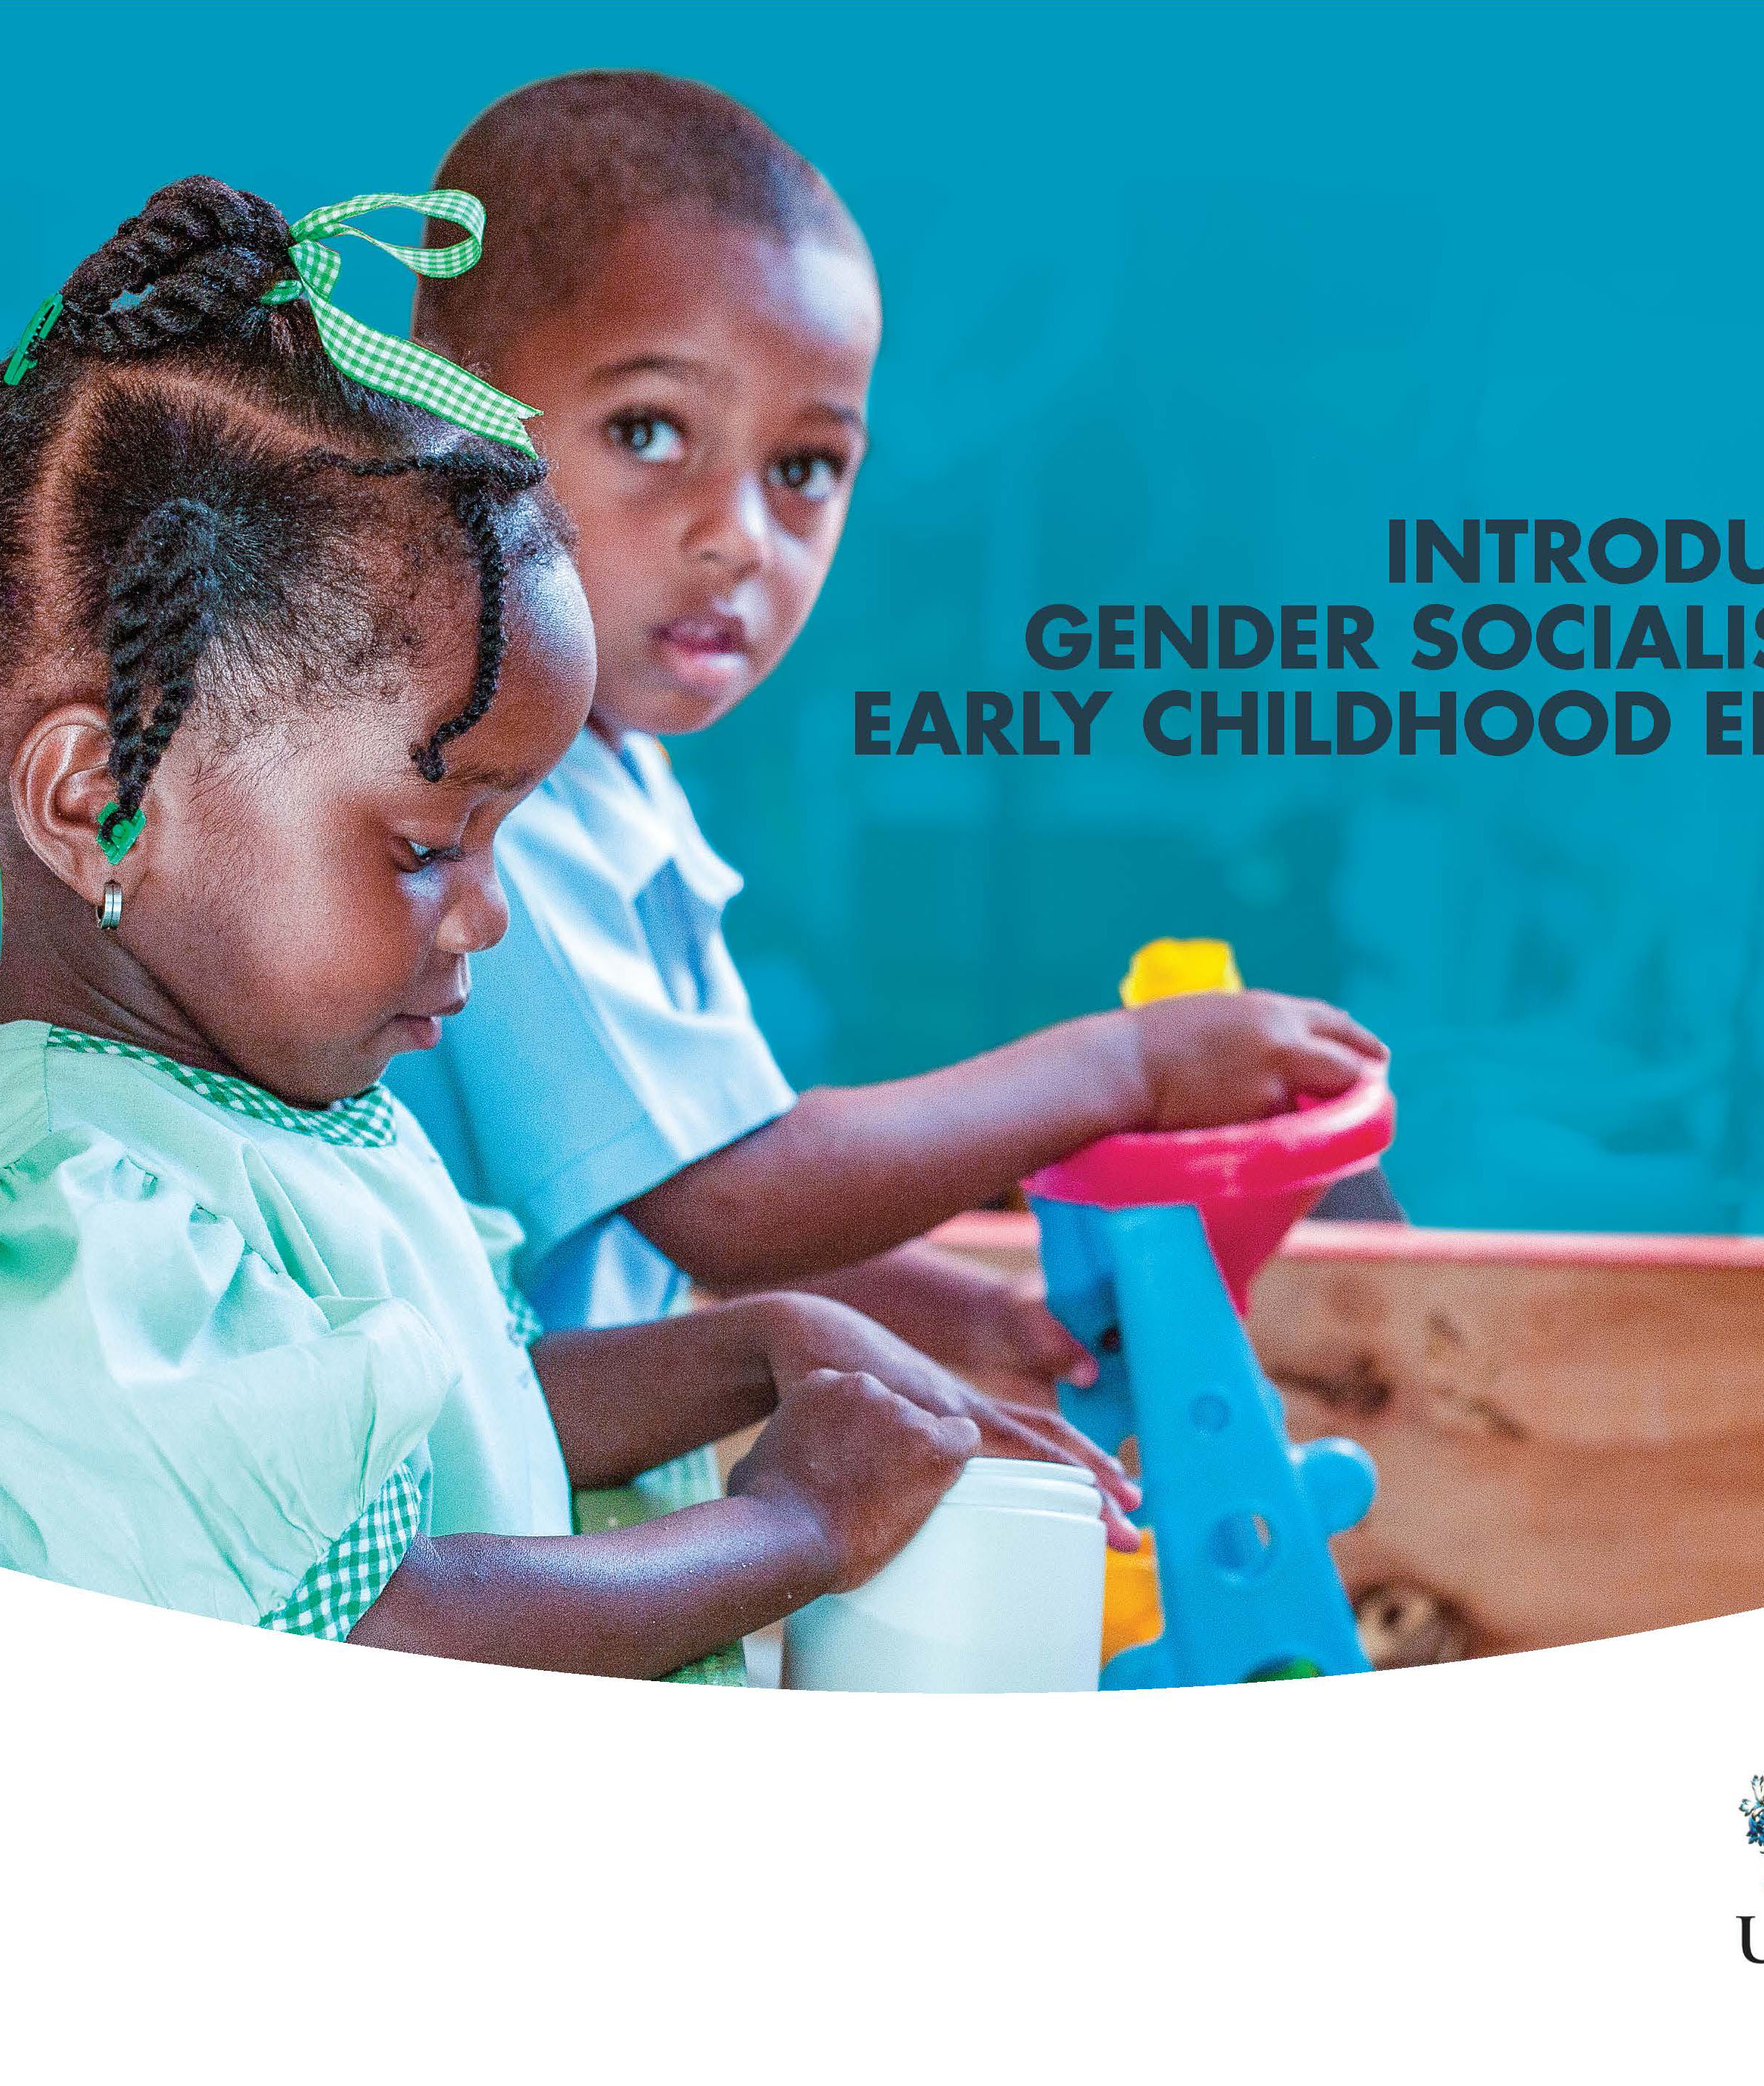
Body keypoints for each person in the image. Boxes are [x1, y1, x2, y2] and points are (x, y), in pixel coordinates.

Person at [0, 175, 1126, 1680]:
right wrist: (794, 1530)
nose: (487, 917)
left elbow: (471, 1421)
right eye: (433, 844)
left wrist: (756, 1347)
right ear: (97, 798)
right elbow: (381, 1626)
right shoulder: (63, 1205)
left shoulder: (279, 1112)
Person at [391, 76, 1388, 1484]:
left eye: (804, 466)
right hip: (442, 1537)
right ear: (450, 407)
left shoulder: (615, 772)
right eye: (651, 432)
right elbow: (733, 1199)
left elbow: (676, 1196)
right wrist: (1134, 1066)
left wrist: (978, 1317)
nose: (740, 538)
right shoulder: (501, 790)